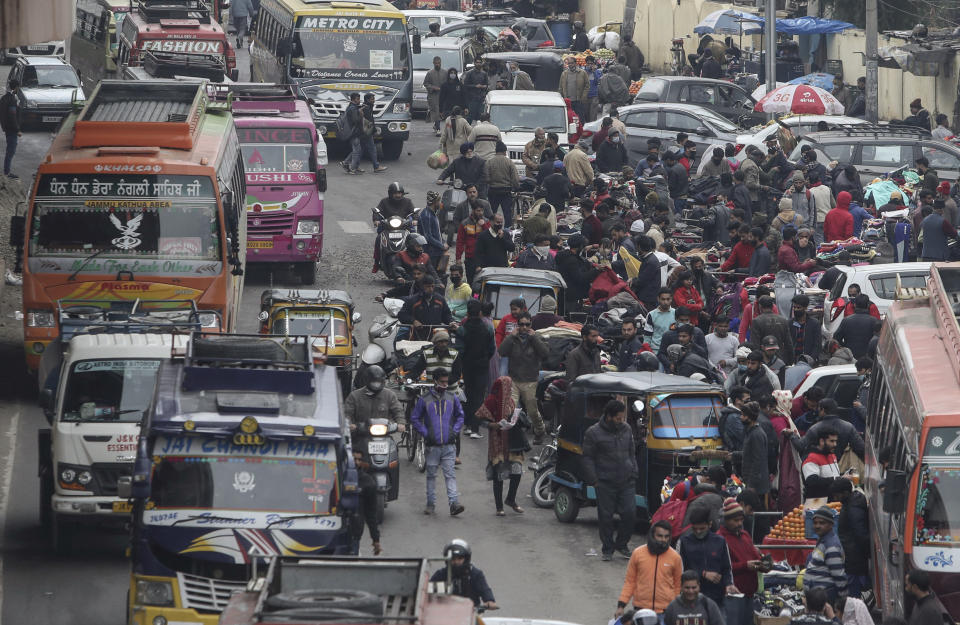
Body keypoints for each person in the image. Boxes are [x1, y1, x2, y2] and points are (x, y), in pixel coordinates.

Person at [582, 399, 639, 561]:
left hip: (627, 481)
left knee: (629, 513)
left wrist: (634, 471)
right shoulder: (593, 433)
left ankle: (622, 544)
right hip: (605, 482)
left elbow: (631, 452)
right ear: (608, 416)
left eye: (622, 418)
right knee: (606, 517)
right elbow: (587, 458)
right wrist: (594, 480)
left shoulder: (627, 429)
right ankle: (607, 548)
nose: (621, 421)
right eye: (618, 418)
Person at [411, 368, 465, 516]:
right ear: (434, 381)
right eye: (442, 382)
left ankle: (454, 503)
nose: (445, 384)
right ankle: (430, 504)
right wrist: (425, 433)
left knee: (450, 475)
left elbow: (460, 416)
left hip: (449, 445)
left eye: (446, 382)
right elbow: (415, 418)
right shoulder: (424, 399)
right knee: (431, 476)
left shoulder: (452, 397)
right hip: (432, 446)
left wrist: (455, 431)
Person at [475, 376, 527, 515]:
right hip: (497, 441)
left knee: (517, 469)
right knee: (499, 473)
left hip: (512, 441)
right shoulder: (491, 401)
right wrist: (493, 425)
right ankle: (499, 507)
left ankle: (511, 499)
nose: (509, 390)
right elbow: (479, 419)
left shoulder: (510, 401)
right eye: (508, 388)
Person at [616, 521, 684, 616]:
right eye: (659, 536)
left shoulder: (675, 557)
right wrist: (621, 605)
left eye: (666, 536)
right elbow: (630, 582)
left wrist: (676, 608)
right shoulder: (638, 554)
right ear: (652, 535)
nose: (663, 539)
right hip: (640, 610)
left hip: (666, 612)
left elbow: (678, 586)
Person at [675, 508, 736, 607]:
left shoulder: (720, 541)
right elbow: (679, 570)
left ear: (710, 524)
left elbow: (727, 568)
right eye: (695, 529)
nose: (698, 532)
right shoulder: (683, 542)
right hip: (691, 599)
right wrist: (703, 573)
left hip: (717, 599)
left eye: (702, 528)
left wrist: (729, 584)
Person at [457, 299, 496, 439]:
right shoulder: (488, 328)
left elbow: (459, 350)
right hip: (482, 366)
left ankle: (467, 425)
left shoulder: (462, 328)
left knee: (468, 393)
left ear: (467, 313)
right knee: (479, 396)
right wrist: (484, 359)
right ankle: (475, 428)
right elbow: (492, 349)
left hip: (467, 366)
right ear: (480, 313)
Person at [828, 479, 870, 598]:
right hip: (852, 555)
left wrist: (865, 553)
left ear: (846, 492)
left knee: (853, 592)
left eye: (837, 494)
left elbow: (860, 533)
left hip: (854, 558)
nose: (835, 498)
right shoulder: (850, 504)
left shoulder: (853, 508)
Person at [718, 497, 765, 603]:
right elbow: (721, 568)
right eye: (735, 520)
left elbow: (755, 557)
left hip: (750, 593)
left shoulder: (745, 535)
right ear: (726, 520)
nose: (739, 523)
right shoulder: (719, 539)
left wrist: (763, 564)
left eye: (741, 520)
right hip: (732, 595)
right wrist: (745, 565)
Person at [430, 539, 497, 609]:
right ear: (448, 559)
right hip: (446, 613)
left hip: (472, 613)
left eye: (460, 558)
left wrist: (489, 601)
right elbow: (428, 592)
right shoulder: (441, 574)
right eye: (453, 559)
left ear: (466, 558)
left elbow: (485, 590)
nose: (456, 562)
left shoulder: (475, 574)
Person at [804, 505, 847, 603]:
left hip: (825, 598)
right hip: (817, 598)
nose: (817, 526)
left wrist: (843, 601)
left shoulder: (831, 545)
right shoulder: (822, 540)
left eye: (822, 523)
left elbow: (839, 575)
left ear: (831, 524)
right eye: (815, 523)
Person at [732, 401, 770, 506]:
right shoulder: (751, 432)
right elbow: (749, 453)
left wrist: (752, 485)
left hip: (757, 486)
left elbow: (758, 460)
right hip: (752, 483)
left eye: (743, 415)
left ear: (750, 417)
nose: (741, 417)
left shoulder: (756, 434)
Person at [398, 277, 454, 341]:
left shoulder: (440, 299)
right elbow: (401, 315)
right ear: (421, 287)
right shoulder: (412, 300)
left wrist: (451, 322)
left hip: (435, 335)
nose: (430, 289)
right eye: (427, 287)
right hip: (417, 336)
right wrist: (413, 321)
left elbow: (446, 314)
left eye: (432, 286)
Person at [555, 234, 600, 312]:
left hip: (565, 295)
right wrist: (596, 270)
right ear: (580, 246)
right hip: (571, 297)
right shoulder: (571, 261)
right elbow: (580, 278)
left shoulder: (566, 257)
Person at [800, 428, 849, 499]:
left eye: (836, 441)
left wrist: (843, 477)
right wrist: (838, 479)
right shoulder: (811, 457)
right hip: (818, 502)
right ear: (822, 441)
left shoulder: (831, 455)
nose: (835, 444)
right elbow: (812, 481)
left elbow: (831, 476)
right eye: (831, 441)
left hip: (833, 502)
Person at [750, 296, 794, 364]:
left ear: (760, 306)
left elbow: (755, 345)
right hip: (780, 359)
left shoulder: (757, 321)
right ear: (773, 306)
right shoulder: (783, 320)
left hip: (764, 361)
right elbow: (789, 343)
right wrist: (791, 361)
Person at [455, 200, 491, 283]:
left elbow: (490, 237)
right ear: (473, 210)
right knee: (470, 281)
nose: (481, 213)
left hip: (483, 258)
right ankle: (472, 296)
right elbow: (460, 241)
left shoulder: (486, 222)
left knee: (481, 282)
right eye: (478, 211)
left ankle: (477, 296)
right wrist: (458, 258)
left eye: (482, 210)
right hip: (470, 258)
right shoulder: (464, 223)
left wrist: (484, 225)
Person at [834, 295, 877, 359]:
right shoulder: (874, 321)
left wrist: (845, 347)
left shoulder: (846, 320)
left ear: (855, 305)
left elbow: (836, 337)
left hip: (850, 357)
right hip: (868, 359)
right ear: (868, 305)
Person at [642, 287, 675, 351]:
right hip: (656, 350)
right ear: (658, 299)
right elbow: (647, 337)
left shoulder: (676, 313)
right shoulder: (651, 315)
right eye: (663, 299)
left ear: (671, 299)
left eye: (668, 299)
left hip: (672, 350)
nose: (665, 302)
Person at [790, 294, 821, 363]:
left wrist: (811, 359)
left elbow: (817, 345)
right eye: (794, 307)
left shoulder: (814, 324)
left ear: (805, 308)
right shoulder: (790, 323)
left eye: (798, 308)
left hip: (808, 360)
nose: (795, 310)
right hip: (793, 360)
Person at [719, 386, 749, 452]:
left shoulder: (739, 414)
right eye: (747, 400)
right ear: (737, 401)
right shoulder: (734, 418)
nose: (749, 402)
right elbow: (745, 438)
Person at [559, 55, 589, 123]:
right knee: (568, 118)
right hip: (568, 100)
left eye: (572, 63)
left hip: (578, 100)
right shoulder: (564, 74)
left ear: (575, 63)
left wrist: (584, 96)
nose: (570, 65)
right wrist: (561, 97)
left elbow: (587, 85)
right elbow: (561, 87)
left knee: (580, 117)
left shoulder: (582, 73)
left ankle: (580, 130)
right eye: (569, 63)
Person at [0, 79, 21, 178]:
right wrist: (17, 130)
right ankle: (7, 172)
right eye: (18, 87)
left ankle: (6, 172)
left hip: (6, 128)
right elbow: (12, 116)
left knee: (9, 150)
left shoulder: (4, 98)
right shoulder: (12, 99)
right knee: (10, 151)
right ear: (16, 87)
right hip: (11, 129)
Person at [424, 56, 446, 136]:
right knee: (436, 112)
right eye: (436, 63)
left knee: (440, 112)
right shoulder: (430, 73)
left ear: (441, 63)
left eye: (439, 63)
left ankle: (436, 125)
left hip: (442, 96)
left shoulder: (445, 72)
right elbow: (425, 83)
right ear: (433, 63)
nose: (437, 64)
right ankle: (438, 129)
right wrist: (433, 87)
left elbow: (447, 83)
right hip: (433, 96)